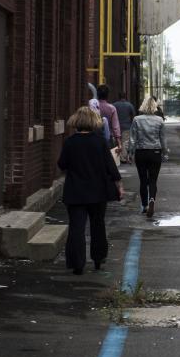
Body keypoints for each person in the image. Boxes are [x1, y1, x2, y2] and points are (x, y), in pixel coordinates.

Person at [58, 106, 124, 274]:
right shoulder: (100, 142)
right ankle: (98, 258)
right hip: (98, 191)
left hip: (75, 192)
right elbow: (111, 166)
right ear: (93, 122)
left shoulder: (70, 142)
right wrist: (118, 185)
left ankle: (77, 264)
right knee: (98, 225)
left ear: (76, 122)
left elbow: (62, 164)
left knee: (76, 228)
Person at [128, 96, 167, 218]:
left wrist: (130, 152)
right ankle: (152, 200)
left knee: (143, 180)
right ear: (155, 106)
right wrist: (165, 153)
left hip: (141, 152)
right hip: (155, 152)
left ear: (143, 106)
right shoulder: (160, 120)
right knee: (153, 180)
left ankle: (144, 205)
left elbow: (132, 138)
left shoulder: (137, 119)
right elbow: (163, 139)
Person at [96, 84, 122, 158]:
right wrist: (119, 144)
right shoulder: (111, 108)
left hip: (94, 138)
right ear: (107, 95)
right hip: (108, 139)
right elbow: (115, 127)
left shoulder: (94, 107)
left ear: (97, 94)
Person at [113, 92, 136, 162]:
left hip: (117, 127)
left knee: (117, 142)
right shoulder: (130, 105)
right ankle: (123, 158)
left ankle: (116, 158)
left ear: (119, 96)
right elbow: (133, 116)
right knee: (124, 142)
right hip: (127, 127)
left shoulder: (114, 105)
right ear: (125, 97)